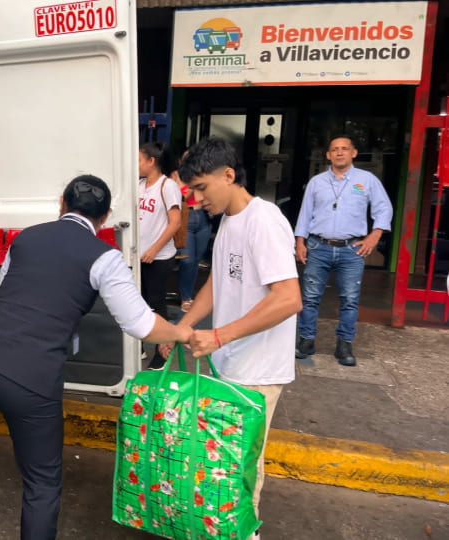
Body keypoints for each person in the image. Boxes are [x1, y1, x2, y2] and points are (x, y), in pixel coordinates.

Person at [0, 175, 192, 540]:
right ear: (105, 217)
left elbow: (13, 290)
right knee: (41, 483)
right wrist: (182, 332)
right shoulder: (105, 257)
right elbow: (140, 324)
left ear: (61, 204)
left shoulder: (26, 238)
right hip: (30, 375)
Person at [161, 137, 302, 540]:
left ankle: (244, 534)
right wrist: (182, 328)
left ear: (228, 175)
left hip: (256, 369)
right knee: (220, 463)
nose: (196, 199)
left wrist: (219, 336)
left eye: (201, 188)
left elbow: (289, 298)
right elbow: (217, 286)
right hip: (231, 364)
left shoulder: (264, 219)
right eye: (191, 191)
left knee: (240, 467)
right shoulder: (228, 221)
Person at [293, 135, 393, 366]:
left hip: (352, 250)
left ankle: (344, 346)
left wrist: (374, 236)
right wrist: (300, 241)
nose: (339, 152)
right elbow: (305, 214)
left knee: (349, 299)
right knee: (310, 298)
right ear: (328, 155)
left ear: (353, 153)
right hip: (318, 247)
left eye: (344, 149)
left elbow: (383, 209)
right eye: (334, 149)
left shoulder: (367, 180)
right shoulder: (317, 182)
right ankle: (306, 340)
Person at [138, 142, 182, 368]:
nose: (136, 164)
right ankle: (138, 350)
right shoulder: (140, 185)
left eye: (139, 160)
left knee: (156, 304)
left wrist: (154, 249)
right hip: (140, 257)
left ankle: (161, 352)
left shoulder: (168, 186)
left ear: (151, 161)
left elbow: (175, 223)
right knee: (140, 304)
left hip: (159, 258)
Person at [172, 153, 212, 312]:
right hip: (185, 216)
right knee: (186, 260)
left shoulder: (202, 174)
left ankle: (188, 295)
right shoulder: (175, 175)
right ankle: (185, 298)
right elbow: (182, 195)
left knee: (195, 260)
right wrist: (192, 184)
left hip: (202, 216)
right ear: (180, 161)